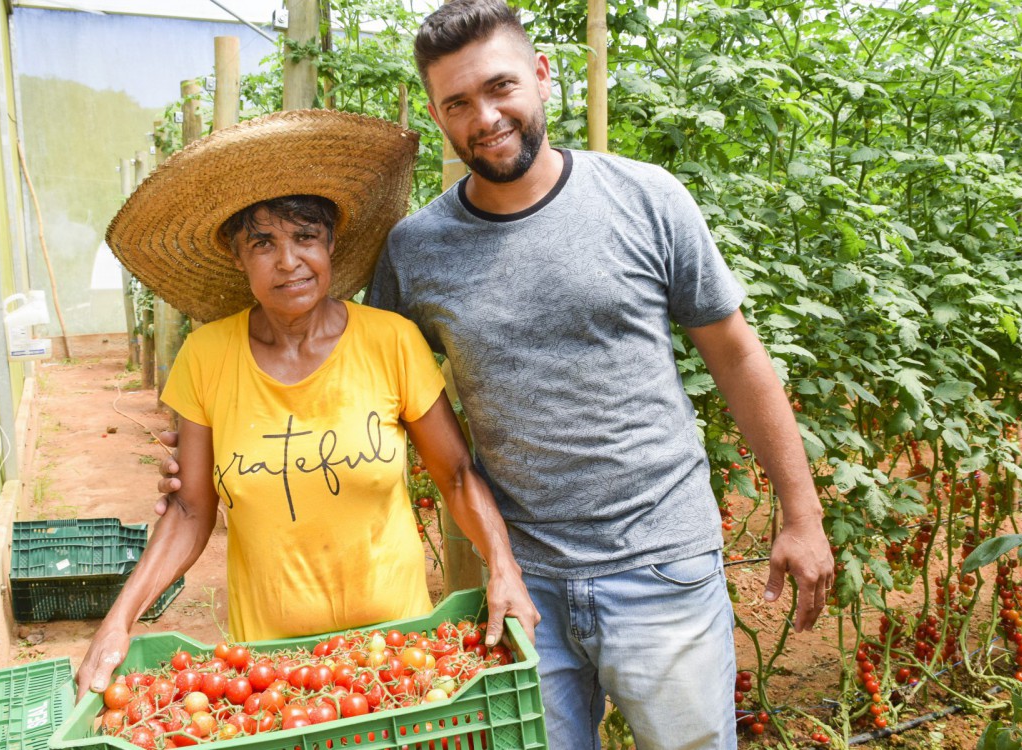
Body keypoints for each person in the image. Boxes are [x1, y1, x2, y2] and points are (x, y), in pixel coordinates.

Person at [159, 3, 833, 746]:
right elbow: (358, 377)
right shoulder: (417, 250)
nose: (484, 116)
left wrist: (801, 514)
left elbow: (736, 355)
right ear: (439, 116)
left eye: (500, 87)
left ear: (543, 77)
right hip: (518, 581)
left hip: (660, 566)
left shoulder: (645, 199)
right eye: (457, 103)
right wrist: (221, 455)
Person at [77, 109, 538, 700]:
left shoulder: (389, 341)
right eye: (262, 243)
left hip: (396, 658)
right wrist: (119, 622)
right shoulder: (206, 357)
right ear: (237, 258)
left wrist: (505, 566)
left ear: (331, 244)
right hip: (274, 678)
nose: (288, 261)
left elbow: (455, 474)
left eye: (305, 237)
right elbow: (192, 511)